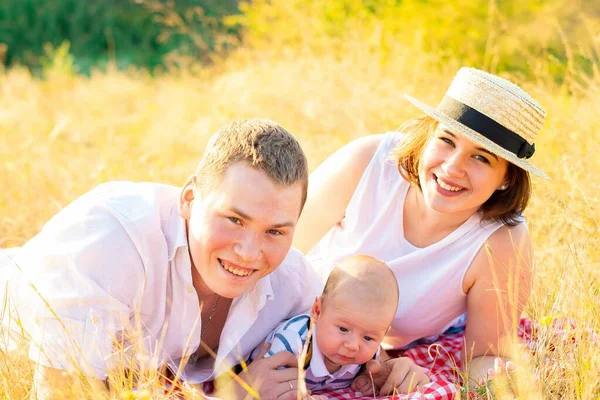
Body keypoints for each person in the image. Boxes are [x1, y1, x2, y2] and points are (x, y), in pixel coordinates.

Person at [0, 119, 322, 400]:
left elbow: (349, 327)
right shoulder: (111, 243)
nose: (250, 252)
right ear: (189, 199)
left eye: (275, 232)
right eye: (234, 220)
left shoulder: (290, 281)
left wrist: (369, 367)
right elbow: (59, 394)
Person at [293, 67, 547, 387]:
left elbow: (485, 356)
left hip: (370, 359)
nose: (453, 167)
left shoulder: (502, 241)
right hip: (289, 322)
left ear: (507, 178)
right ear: (428, 136)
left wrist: (490, 379)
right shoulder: (368, 164)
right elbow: (276, 253)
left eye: (481, 158)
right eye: (446, 140)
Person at [259, 255, 429, 397]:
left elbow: (371, 374)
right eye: (343, 329)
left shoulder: (369, 356)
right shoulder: (293, 341)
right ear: (317, 311)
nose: (353, 346)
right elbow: (266, 384)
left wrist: (366, 380)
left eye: (368, 337)